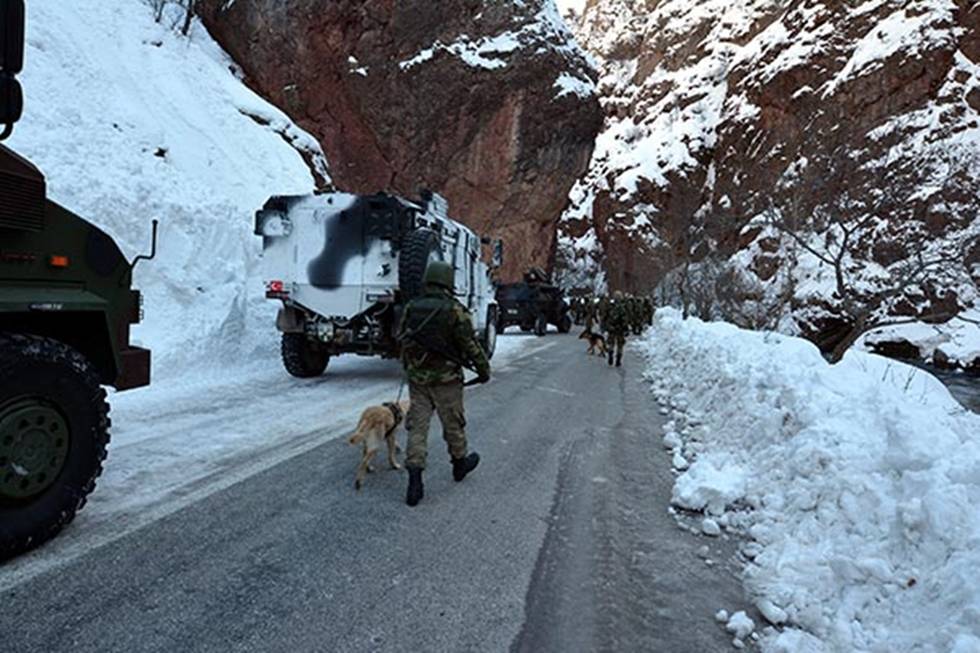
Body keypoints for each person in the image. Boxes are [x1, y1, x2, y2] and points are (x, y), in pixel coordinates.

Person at [398, 261, 491, 507]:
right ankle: (459, 465)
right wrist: (483, 370)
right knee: (453, 424)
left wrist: (409, 366)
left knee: (417, 428)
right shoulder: (455, 310)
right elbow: (471, 345)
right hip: (447, 381)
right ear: (447, 282)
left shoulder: (411, 307)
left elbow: (402, 339)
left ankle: (415, 482)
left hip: (418, 380)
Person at [605, 291, 629, 367]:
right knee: (620, 345)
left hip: (611, 328)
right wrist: (626, 328)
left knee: (611, 344)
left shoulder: (610, 306)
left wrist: (607, 326)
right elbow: (625, 319)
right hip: (620, 329)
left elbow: (606, 317)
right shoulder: (623, 307)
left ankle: (610, 356)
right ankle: (618, 360)